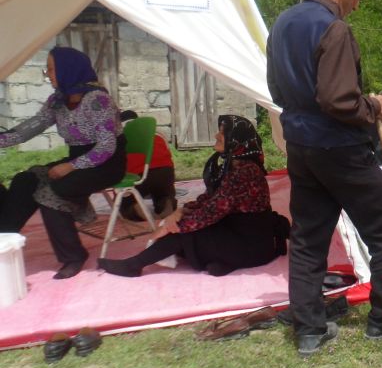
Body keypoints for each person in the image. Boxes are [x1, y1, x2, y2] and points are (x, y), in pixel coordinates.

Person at [267, 0, 382, 357]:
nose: (358, 5)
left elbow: (278, 93)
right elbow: (338, 100)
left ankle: (309, 331)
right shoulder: (333, 29)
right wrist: (374, 108)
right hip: (339, 148)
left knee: (308, 237)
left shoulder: (282, 24)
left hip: (300, 145)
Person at [98, 115, 288, 277]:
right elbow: (211, 199)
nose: (217, 135)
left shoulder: (245, 172)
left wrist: (175, 226)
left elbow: (213, 210)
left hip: (250, 244)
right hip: (239, 234)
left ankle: (134, 265)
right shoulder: (234, 165)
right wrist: (182, 211)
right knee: (187, 227)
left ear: (237, 140)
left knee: (186, 234)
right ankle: (221, 263)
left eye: (222, 132)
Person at [0, 47, 126, 279]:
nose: (48, 74)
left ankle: (73, 256)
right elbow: (32, 127)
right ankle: (4, 237)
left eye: (51, 68)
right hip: (78, 157)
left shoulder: (98, 101)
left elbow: (106, 147)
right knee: (25, 180)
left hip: (107, 164)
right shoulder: (57, 101)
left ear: (69, 69)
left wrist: (70, 166)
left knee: (53, 192)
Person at [117, 110, 177, 220]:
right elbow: (168, 153)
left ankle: (135, 209)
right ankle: (166, 202)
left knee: (124, 201)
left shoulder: (120, 134)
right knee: (162, 192)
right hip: (165, 171)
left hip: (138, 174)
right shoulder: (156, 131)